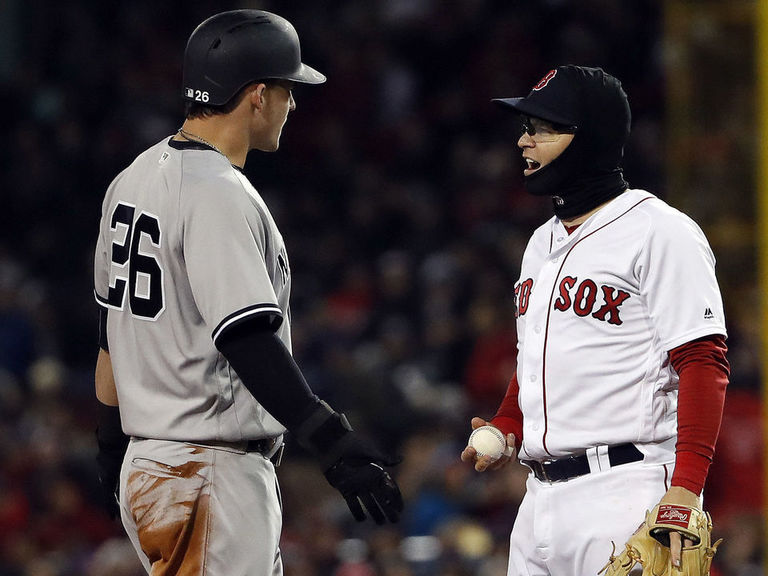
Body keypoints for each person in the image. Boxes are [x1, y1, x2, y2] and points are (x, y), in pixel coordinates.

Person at [93, 10, 402, 575]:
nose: (293, 104)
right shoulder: (216, 191)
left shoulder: (132, 178)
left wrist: (112, 443)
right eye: (288, 90)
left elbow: (110, 333)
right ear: (257, 95)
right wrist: (330, 441)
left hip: (153, 462)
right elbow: (246, 337)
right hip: (206, 468)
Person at [460, 66, 729, 575]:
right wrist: (509, 422)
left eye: (541, 128)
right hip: (536, 500)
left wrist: (686, 489)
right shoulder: (541, 242)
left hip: (626, 491)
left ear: (590, 139)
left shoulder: (660, 231)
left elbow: (702, 361)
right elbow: (538, 360)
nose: (524, 141)